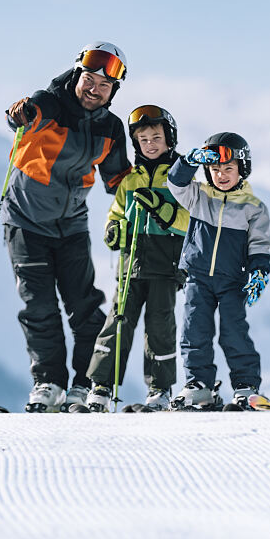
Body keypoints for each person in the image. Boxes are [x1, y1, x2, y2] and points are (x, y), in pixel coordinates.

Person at [4, 41, 132, 412]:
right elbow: (27, 113)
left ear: (113, 91)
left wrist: (148, 187)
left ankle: (84, 384)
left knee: (85, 306)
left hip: (72, 227)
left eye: (103, 85)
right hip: (27, 223)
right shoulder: (51, 104)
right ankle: (49, 383)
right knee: (39, 305)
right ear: (78, 75)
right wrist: (21, 115)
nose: (94, 89)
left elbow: (118, 179)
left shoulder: (109, 127)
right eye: (89, 79)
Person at [83, 105, 189, 412]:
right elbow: (116, 213)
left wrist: (163, 209)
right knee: (117, 322)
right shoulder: (130, 180)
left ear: (169, 139)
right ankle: (101, 386)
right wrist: (114, 230)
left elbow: (192, 219)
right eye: (143, 139)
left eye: (156, 136)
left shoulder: (179, 178)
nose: (151, 143)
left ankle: (160, 388)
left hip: (167, 266)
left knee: (160, 326)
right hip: (131, 266)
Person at [166, 132, 270, 409]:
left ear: (242, 169)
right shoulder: (198, 196)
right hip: (198, 278)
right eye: (215, 169)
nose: (221, 175)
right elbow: (175, 182)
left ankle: (245, 386)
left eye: (228, 168)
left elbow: (259, 245)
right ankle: (199, 385)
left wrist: (258, 271)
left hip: (231, 280)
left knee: (234, 333)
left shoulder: (253, 208)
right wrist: (188, 161)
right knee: (194, 332)